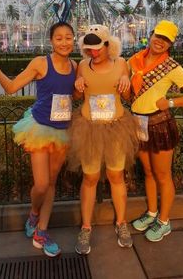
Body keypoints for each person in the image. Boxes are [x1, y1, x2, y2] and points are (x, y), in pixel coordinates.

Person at [0, 22, 77, 257]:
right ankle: (34, 214)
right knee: (41, 184)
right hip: (39, 129)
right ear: (51, 41)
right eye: (59, 38)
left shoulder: (75, 65)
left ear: (74, 40)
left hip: (63, 131)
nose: (64, 42)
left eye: (69, 37)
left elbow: (74, 94)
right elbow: (11, 87)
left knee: (51, 183)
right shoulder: (41, 63)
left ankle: (42, 231)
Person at [128, 20, 183, 242]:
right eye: (158, 36)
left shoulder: (172, 67)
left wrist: (170, 103)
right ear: (151, 35)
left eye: (166, 40)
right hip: (138, 123)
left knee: (163, 175)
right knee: (149, 173)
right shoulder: (135, 61)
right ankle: (152, 213)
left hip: (160, 125)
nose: (160, 42)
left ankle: (164, 221)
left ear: (170, 44)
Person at [68, 24, 139, 254]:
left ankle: (121, 223)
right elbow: (78, 96)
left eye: (97, 47)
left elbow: (127, 96)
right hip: (89, 128)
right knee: (90, 178)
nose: (93, 52)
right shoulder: (81, 65)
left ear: (108, 45)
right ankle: (86, 227)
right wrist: (77, 87)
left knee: (116, 176)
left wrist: (127, 85)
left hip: (115, 127)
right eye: (89, 48)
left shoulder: (121, 64)